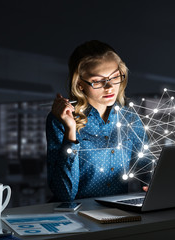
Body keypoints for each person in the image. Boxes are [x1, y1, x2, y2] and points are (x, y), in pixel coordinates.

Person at [46, 40, 150, 202]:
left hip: (118, 214)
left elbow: (146, 168)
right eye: (97, 81)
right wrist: (71, 131)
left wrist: (153, 182)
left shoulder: (130, 119)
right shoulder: (59, 120)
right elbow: (65, 194)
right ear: (80, 84)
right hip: (74, 218)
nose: (109, 87)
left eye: (115, 77)